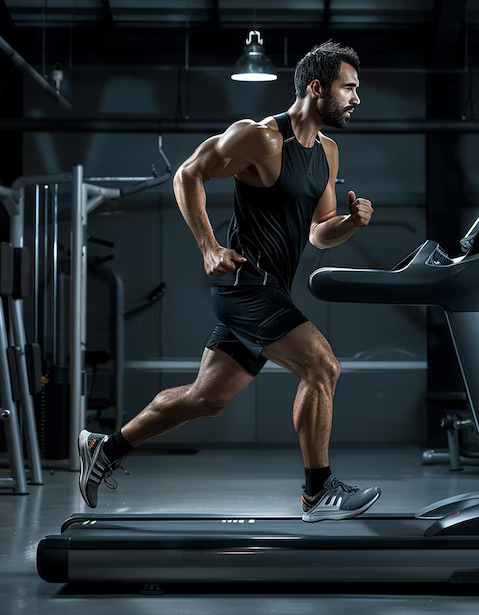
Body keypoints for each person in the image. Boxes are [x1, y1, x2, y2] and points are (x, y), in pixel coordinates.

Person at [78, 41, 381, 522]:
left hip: (271, 291)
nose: (356, 99)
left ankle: (106, 447)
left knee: (208, 398)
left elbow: (319, 232)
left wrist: (351, 223)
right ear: (317, 87)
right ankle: (318, 493)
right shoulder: (259, 138)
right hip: (245, 284)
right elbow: (187, 175)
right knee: (322, 368)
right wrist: (208, 247)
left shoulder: (328, 152)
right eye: (349, 88)